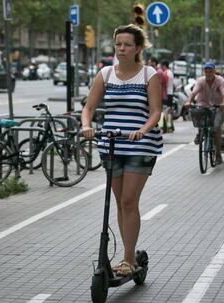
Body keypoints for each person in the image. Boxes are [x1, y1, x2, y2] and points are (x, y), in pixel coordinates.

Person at [81, 24, 162, 277]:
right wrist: (86, 126)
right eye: (118, 44)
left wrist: (143, 129)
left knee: (129, 201)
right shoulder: (105, 74)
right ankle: (127, 255)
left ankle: (128, 259)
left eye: (127, 44)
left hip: (140, 144)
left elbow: (156, 112)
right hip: (111, 144)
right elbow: (88, 108)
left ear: (138, 48)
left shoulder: (149, 74)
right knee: (119, 202)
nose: (122, 49)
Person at [184, 61, 224, 164]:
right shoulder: (201, 81)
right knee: (198, 115)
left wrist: (223, 103)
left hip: (217, 107)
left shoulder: (220, 80)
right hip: (203, 105)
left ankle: (218, 155)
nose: (208, 73)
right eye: (206, 71)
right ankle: (200, 132)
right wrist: (188, 101)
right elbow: (193, 92)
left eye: (210, 71)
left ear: (214, 71)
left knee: (216, 129)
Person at [161, 60, 175, 132]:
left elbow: (164, 84)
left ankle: (165, 126)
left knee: (165, 111)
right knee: (169, 110)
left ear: (164, 66)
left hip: (166, 94)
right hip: (171, 93)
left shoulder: (165, 73)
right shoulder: (171, 72)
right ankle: (170, 127)